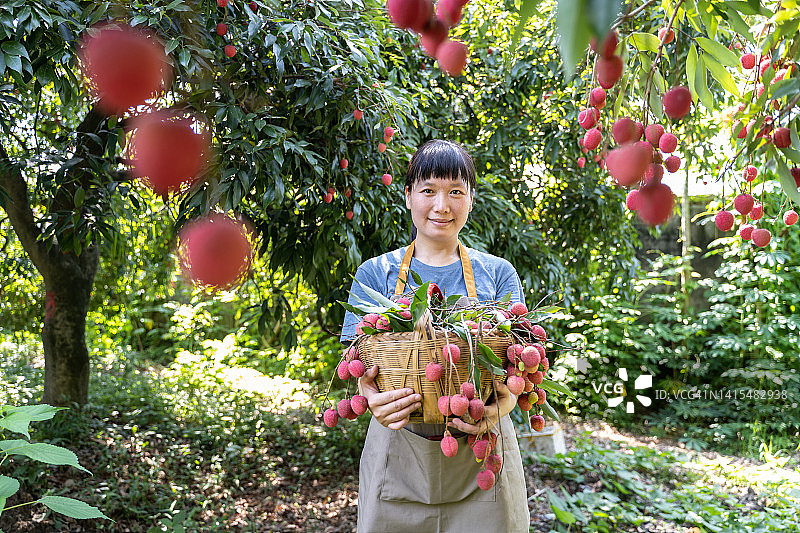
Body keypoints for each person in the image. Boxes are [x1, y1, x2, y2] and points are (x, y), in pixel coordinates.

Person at [340, 140, 531, 532]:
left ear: (471, 200)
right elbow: (356, 361)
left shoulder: (497, 273)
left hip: (482, 444)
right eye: (428, 191)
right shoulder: (377, 274)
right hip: (399, 445)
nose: (441, 205)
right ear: (408, 195)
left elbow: (520, 362)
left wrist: (504, 405)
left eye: (455, 192)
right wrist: (372, 398)